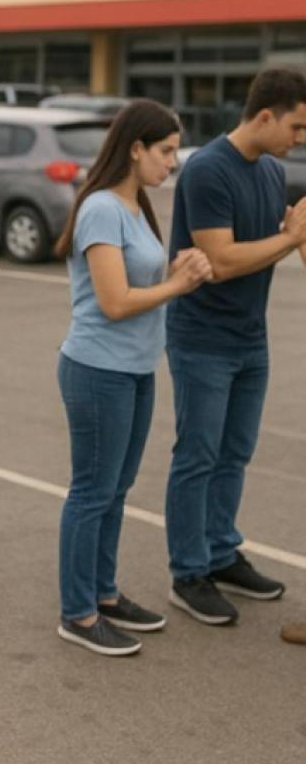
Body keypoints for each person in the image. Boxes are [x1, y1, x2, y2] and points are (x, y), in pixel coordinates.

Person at [50, 100, 213, 656]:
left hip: (136, 368)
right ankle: (77, 612)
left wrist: (177, 271)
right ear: (136, 148)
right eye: (166, 151)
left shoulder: (136, 205)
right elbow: (116, 302)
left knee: (115, 490)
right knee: (93, 492)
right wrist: (180, 286)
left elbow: (138, 282)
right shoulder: (101, 208)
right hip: (98, 369)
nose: (173, 161)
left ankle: (105, 593)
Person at [163, 68, 306, 626]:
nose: (299, 138)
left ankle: (220, 552)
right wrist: (290, 238)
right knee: (197, 456)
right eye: (296, 126)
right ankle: (188, 571)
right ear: (265, 115)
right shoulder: (207, 170)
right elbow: (220, 262)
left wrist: (293, 241)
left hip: (252, 338)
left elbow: (272, 246)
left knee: (235, 452)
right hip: (203, 339)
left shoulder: (272, 170)